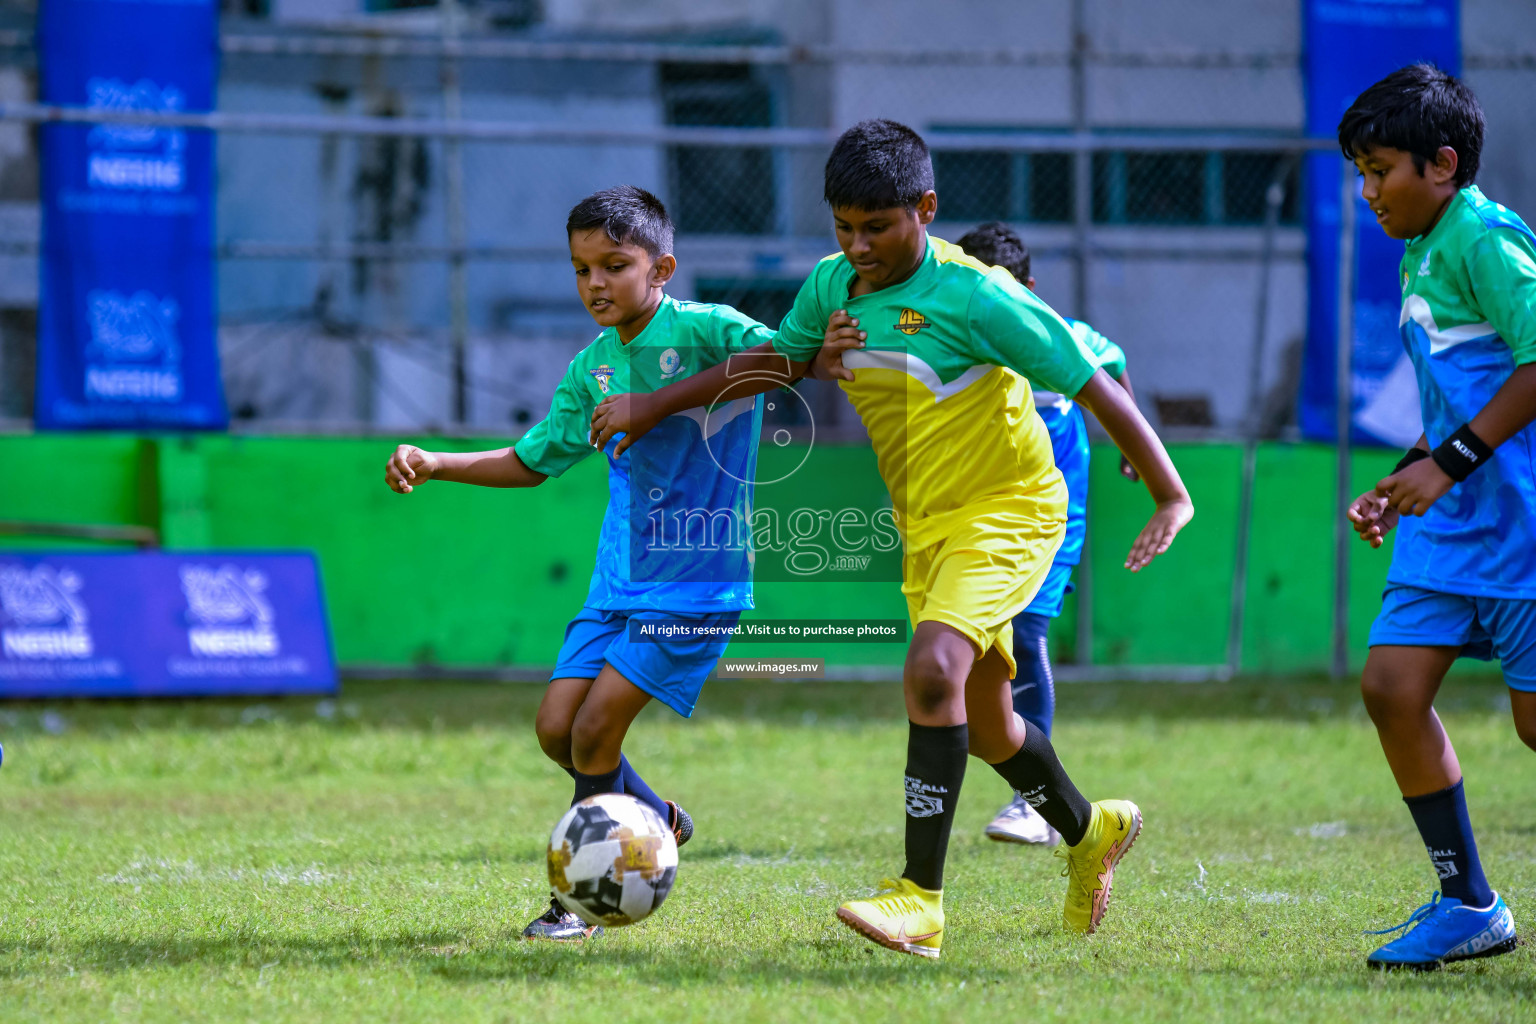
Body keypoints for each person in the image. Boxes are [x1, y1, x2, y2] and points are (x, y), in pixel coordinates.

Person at [588, 120, 1194, 957]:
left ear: (926, 208)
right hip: (927, 527)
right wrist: (658, 401)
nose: (858, 245)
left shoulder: (979, 294)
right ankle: (1092, 833)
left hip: (1011, 512)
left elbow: (1092, 384)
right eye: (843, 226)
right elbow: (778, 362)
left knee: (932, 668)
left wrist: (1169, 494)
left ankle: (920, 898)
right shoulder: (833, 285)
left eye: (877, 226)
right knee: (986, 724)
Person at [384, 185, 771, 943]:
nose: (595, 283)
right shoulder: (592, 367)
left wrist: (656, 405)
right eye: (581, 269)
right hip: (616, 582)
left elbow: (785, 359)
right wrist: (436, 461)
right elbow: (532, 461)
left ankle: (582, 906)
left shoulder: (706, 330)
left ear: (661, 267)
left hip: (694, 582)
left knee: (596, 732)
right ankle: (655, 816)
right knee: (557, 727)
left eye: (614, 266)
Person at [1341, 64, 1535, 971]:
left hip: (1522, 528)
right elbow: (1461, 392)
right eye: (1361, 172)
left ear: (1443, 164)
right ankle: (1469, 904)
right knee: (1390, 688)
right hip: (1451, 529)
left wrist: (1450, 462)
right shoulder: (1423, 245)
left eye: (1381, 170)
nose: (1368, 191)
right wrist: (1404, 474)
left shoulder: (1487, 240)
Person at [953, 222, 1142, 847]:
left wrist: (1127, 440)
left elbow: (1112, 362)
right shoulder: (956, 334)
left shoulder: (1061, 336)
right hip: (981, 522)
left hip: (1055, 523)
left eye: (1001, 287)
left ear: (1028, 289)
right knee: (970, 655)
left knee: (1027, 633)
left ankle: (1031, 805)